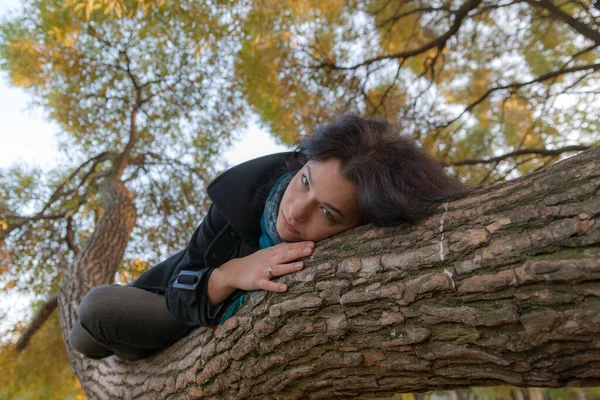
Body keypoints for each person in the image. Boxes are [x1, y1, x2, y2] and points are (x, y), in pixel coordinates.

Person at [68, 115, 468, 361]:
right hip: (170, 294)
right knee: (87, 329)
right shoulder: (248, 192)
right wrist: (229, 274)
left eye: (327, 213)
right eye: (304, 182)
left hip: (181, 318)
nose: (295, 211)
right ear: (301, 163)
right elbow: (181, 280)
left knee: (97, 314)